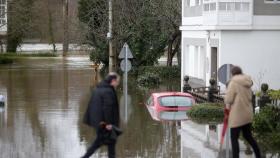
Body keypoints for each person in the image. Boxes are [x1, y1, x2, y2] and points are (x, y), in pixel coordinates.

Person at [224, 66, 261, 158]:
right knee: (248, 136)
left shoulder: (233, 83)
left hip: (237, 115)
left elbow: (229, 99)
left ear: (233, 74)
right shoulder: (248, 82)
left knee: (234, 138)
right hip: (247, 114)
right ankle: (258, 154)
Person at [82, 72, 120, 158]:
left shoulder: (99, 88)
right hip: (106, 125)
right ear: (113, 81)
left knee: (101, 145)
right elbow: (108, 108)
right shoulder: (108, 91)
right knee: (106, 146)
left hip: (98, 123)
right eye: (117, 82)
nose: (117, 84)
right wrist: (109, 124)